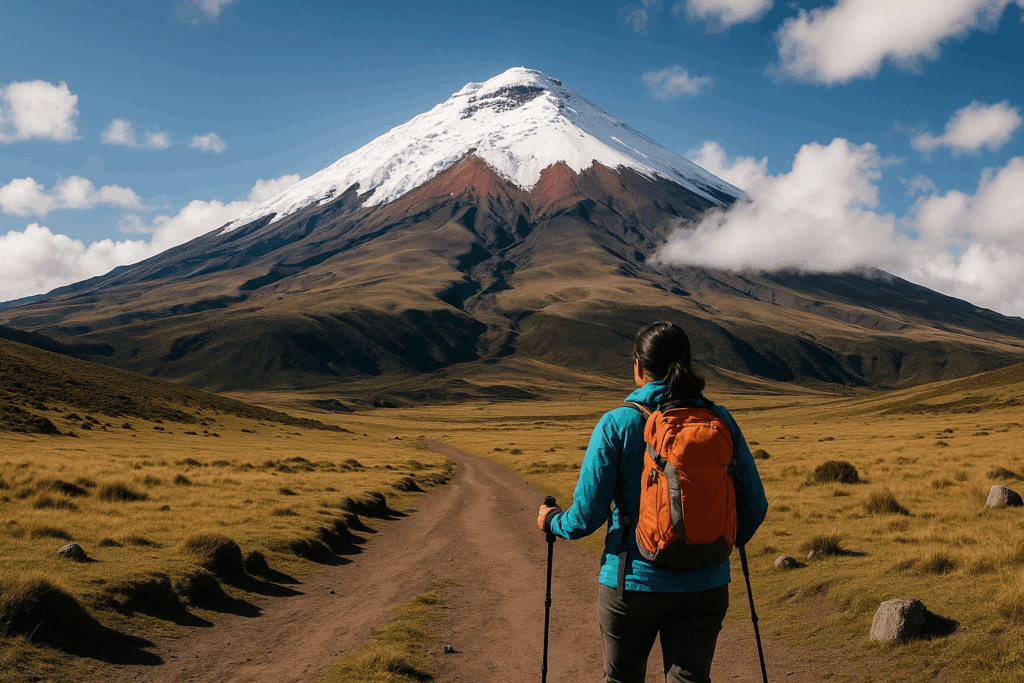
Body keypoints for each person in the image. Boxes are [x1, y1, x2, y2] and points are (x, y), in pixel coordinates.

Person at [537, 320, 768, 683]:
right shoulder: (720, 419)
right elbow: (754, 505)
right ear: (688, 364)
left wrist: (552, 521)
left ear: (638, 368)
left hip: (632, 583)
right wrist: (713, 545)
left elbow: (585, 518)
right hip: (707, 585)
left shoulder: (618, 424)